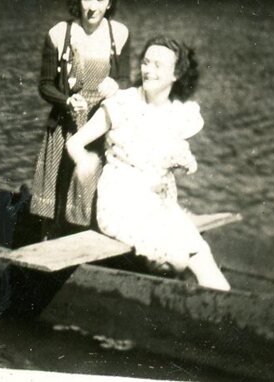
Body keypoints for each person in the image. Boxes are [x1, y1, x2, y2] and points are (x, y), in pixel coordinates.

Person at [65, 36, 230, 291]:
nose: (148, 70)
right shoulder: (122, 104)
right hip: (121, 202)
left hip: (158, 205)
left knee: (201, 254)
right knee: (177, 258)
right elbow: (75, 143)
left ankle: (226, 308)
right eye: (145, 62)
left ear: (176, 74)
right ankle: (173, 296)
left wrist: (180, 164)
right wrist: (84, 162)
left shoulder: (177, 114)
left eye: (158, 65)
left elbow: (175, 157)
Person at [30, 0, 131, 235]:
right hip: (66, 127)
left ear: (109, 2)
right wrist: (66, 100)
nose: (92, 6)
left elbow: (126, 80)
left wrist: (117, 85)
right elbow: (45, 85)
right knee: (60, 199)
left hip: (102, 127)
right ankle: (53, 241)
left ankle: (91, 242)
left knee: (94, 199)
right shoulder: (59, 33)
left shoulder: (119, 34)